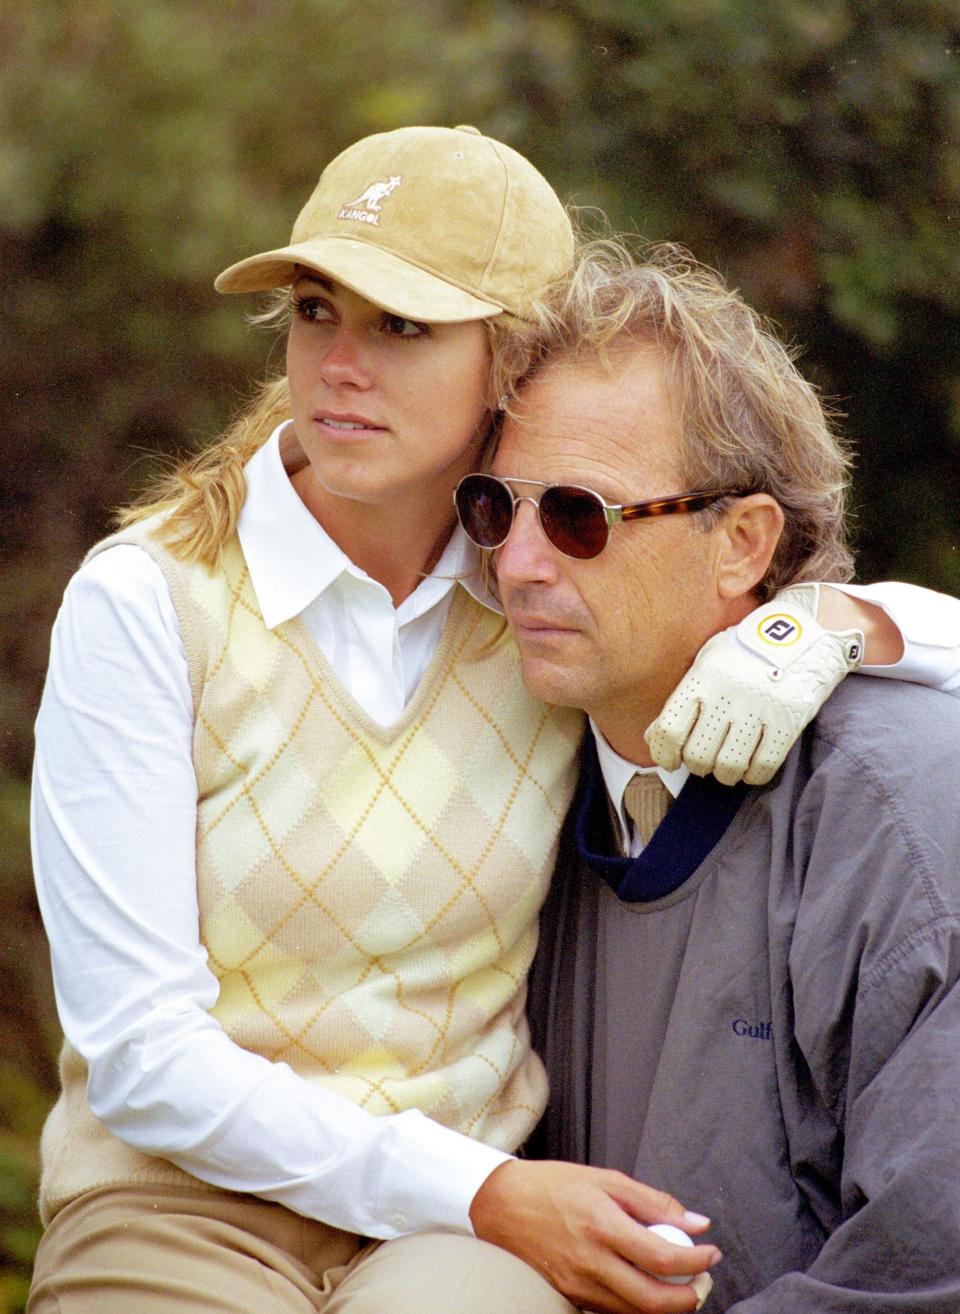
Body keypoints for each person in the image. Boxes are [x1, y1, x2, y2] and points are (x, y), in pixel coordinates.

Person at [28, 123, 957, 1314]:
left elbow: (709, 574)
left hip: (449, 1239)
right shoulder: (154, 600)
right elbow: (140, 1054)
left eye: (402, 324)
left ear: (508, 368)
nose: (338, 364)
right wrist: (484, 1192)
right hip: (194, 1207)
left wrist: (843, 622)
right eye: (316, 309)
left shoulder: (523, 601)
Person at [454, 239, 960, 1310]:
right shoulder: (505, 787)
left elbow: (927, 1276)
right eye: (497, 508)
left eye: (580, 514)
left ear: (742, 545)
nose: (519, 563)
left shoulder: (905, 812)